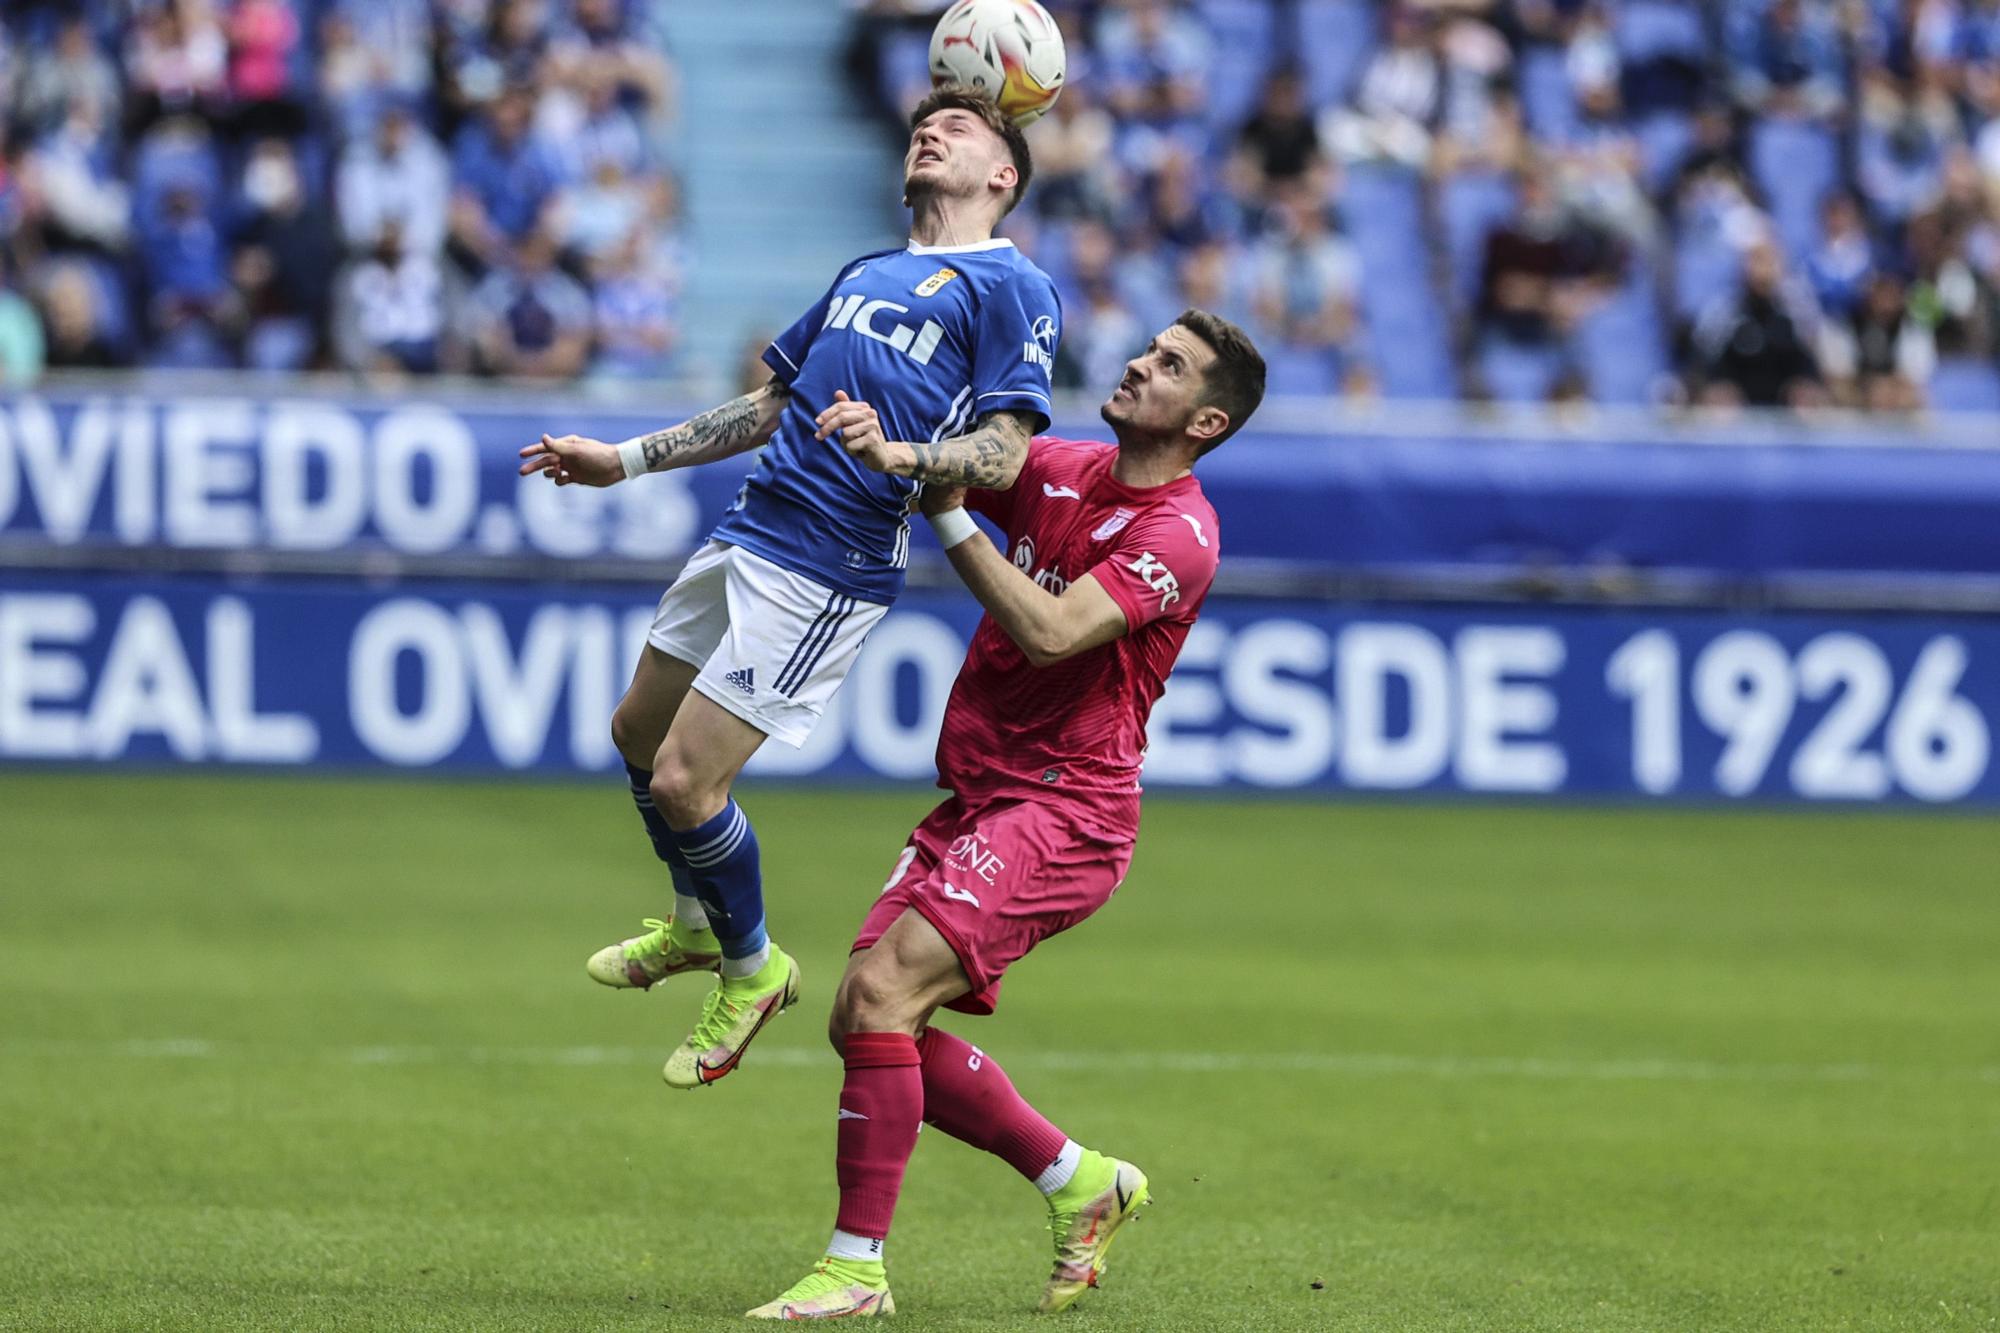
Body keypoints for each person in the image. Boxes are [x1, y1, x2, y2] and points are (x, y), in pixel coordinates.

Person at [516, 87, 1062, 1091]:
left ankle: (753, 964)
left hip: (830, 559)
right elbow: (774, 403)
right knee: (636, 733)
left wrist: (895, 448)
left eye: (960, 128)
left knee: (686, 779)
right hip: (753, 524)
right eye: (922, 125)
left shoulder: (1012, 289)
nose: (928, 131)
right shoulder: (865, 270)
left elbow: (1002, 452)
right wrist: (625, 459)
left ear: (1003, 175)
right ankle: (692, 924)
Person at [746, 309, 1266, 1319]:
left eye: (1165, 365)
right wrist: (882, 434)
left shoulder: (1180, 534)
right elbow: (956, 457)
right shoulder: (1065, 466)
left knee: (886, 993)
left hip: (1068, 807)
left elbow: (1050, 630)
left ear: (1203, 421)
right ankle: (1080, 1180)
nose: (1133, 363)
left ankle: (855, 1270)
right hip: (985, 791)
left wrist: (946, 514)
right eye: (1144, 348)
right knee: (864, 1014)